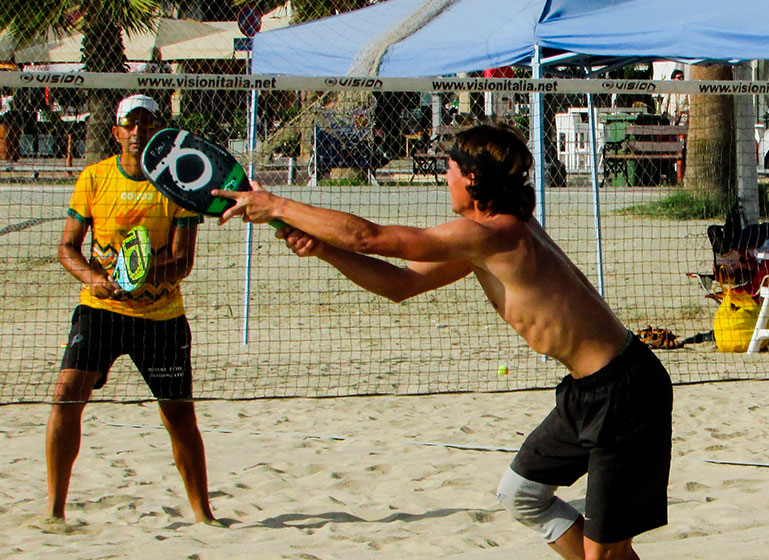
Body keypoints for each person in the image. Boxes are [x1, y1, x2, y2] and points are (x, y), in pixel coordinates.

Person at [214, 123, 673, 559]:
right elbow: (400, 286)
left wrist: (276, 206)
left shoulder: (494, 234)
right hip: (589, 393)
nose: (444, 178)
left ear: (472, 179)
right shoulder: (485, 239)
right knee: (523, 495)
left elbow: (368, 236)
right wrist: (324, 249)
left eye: (448, 170)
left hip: (624, 392)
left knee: (603, 552)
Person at [48, 94, 218, 525]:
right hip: (100, 310)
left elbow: (183, 261)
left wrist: (145, 277)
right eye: (130, 123)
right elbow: (68, 248)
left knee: (179, 414)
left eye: (146, 123)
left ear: (157, 130)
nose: (138, 131)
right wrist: (96, 280)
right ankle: (54, 512)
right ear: (117, 131)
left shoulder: (176, 186)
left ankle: (204, 515)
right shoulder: (94, 178)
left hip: (159, 318)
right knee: (67, 396)